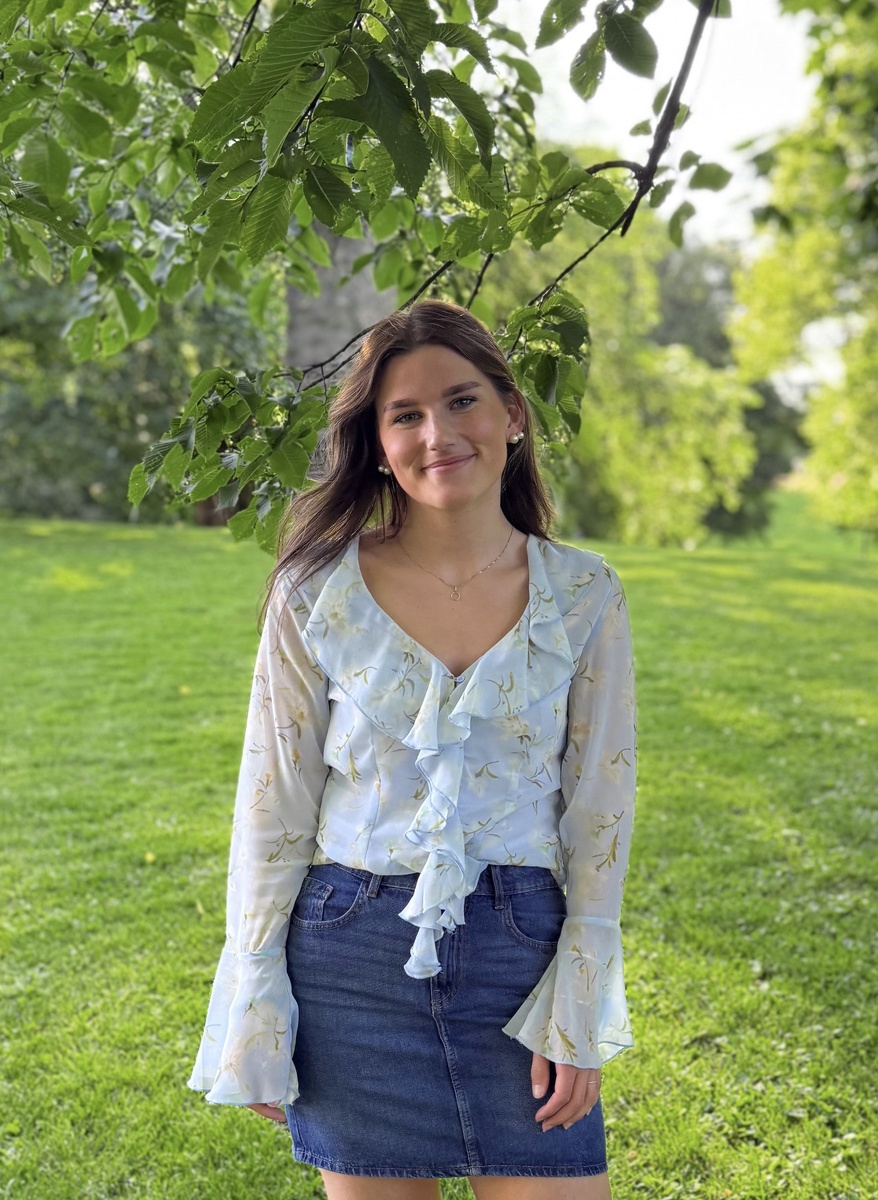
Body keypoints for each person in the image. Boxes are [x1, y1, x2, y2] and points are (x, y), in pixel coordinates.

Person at [188, 300, 637, 1200]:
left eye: (462, 400)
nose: (438, 433)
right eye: (406, 415)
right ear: (378, 444)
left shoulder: (583, 593)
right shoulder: (315, 592)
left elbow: (600, 806)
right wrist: (255, 989)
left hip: (522, 954)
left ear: (513, 413)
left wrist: (581, 998)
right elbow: (273, 806)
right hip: (348, 959)